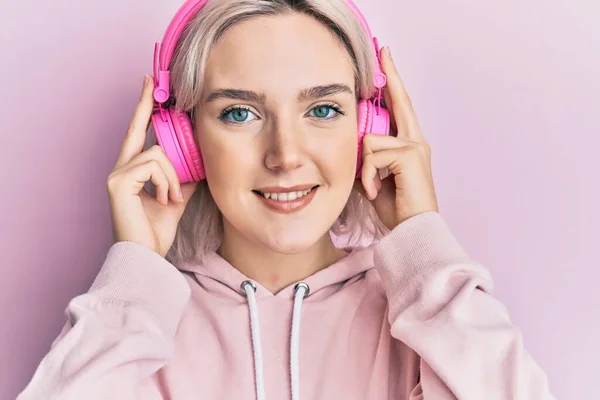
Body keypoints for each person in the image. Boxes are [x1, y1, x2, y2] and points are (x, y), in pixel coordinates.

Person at [17, 0, 556, 399]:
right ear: (186, 142)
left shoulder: (427, 320)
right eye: (239, 112)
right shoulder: (138, 327)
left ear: (370, 127)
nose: (285, 155)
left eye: (322, 109)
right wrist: (133, 275)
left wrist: (422, 237)